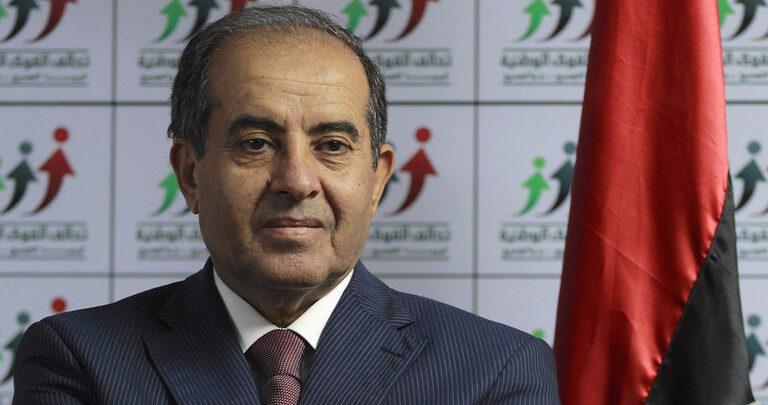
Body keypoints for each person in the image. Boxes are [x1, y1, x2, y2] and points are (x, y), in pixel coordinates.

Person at [12, 6, 559, 404]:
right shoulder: (79, 359)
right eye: (256, 143)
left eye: (333, 146)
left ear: (377, 179)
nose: (297, 181)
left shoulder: (497, 370)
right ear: (191, 173)